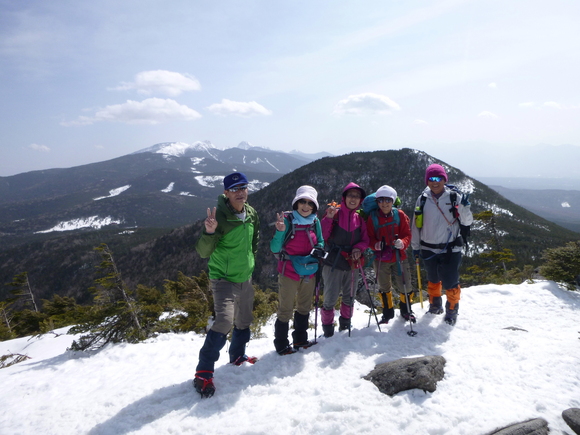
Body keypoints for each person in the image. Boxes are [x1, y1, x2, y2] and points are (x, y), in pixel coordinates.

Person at [193, 172, 260, 398]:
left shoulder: (251, 214)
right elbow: (203, 251)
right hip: (223, 279)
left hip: (245, 276)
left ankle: (237, 355)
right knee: (223, 321)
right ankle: (203, 372)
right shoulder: (219, 217)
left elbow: (254, 242)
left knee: (244, 320)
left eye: (243, 188)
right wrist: (209, 232)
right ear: (226, 193)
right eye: (235, 189)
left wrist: (251, 263)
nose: (240, 193)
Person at [411, 164, 473, 325]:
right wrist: (415, 247)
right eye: (431, 179)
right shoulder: (422, 199)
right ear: (427, 181)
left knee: (451, 280)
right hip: (428, 247)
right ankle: (435, 305)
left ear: (445, 179)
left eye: (439, 178)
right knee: (433, 278)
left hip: (451, 248)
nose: (435, 182)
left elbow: (467, 222)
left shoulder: (454, 197)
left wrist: (465, 208)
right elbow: (416, 224)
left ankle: (452, 309)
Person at [270, 186, 324, 355]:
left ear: (314, 206)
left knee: (304, 307)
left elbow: (320, 241)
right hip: (289, 272)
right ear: (296, 203)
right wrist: (279, 232)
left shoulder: (315, 221)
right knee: (285, 309)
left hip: (309, 270)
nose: (306, 206)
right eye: (302, 201)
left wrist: (319, 249)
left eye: (310, 203)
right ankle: (281, 344)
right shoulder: (287, 220)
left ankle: (300, 339)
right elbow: (275, 248)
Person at [320, 182, 369, 337]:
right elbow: (322, 237)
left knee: (350, 296)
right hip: (333, 261)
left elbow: (365, 239)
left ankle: (345, 325)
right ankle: (328, 330)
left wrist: (358, 248)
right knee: (330, 297)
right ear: (344, 197)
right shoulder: (334, 215)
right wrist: (328, 218)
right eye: (350, 195)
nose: (353, 199)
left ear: (360, 200)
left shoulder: (359, 219)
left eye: (357, 196)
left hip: (352, 262)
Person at [366, 185, 414, 324]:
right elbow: (369, 237)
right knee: (384, 286)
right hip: (381, 257)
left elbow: (407, 234)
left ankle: (406, 310)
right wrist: (375, 244)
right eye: (381, 200)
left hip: (399, 256)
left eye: (388, 200)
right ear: (377, 202)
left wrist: (403, 243)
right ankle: (387, 313)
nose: (384, 203)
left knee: (405, 285)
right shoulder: (373, 218)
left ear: (393, 201)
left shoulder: (399, 215)